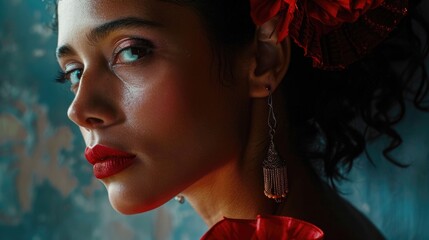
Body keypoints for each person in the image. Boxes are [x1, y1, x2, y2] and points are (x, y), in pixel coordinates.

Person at [53, 0, 428, 239]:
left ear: (263, 59)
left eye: (132, 52)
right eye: (73, 72)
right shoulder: (325, 218)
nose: (80, 109)